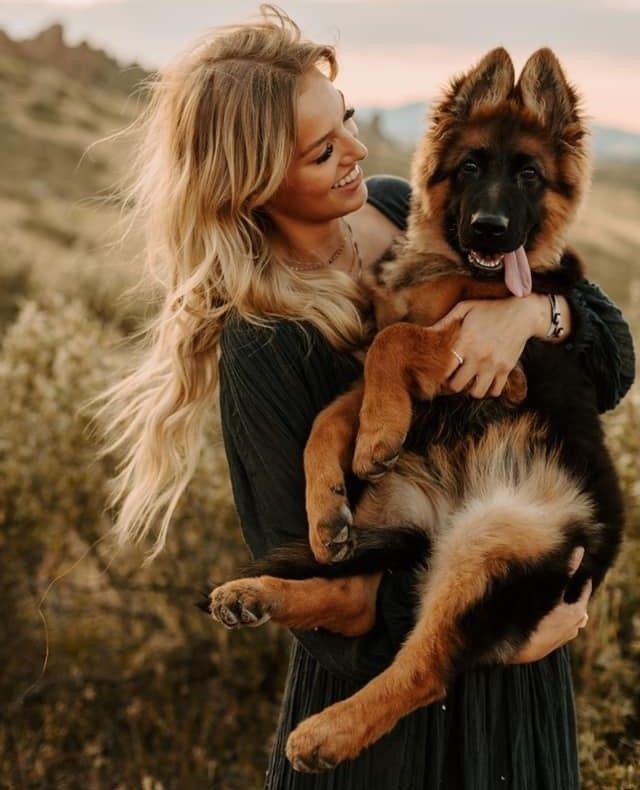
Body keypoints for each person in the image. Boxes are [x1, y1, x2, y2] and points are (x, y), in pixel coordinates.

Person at [99, 6, 635, 788]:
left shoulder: (399, 211)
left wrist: (534, 312)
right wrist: (504, 635)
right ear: (255, 183)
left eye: (346, 121)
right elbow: (321, 568)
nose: (356, 151)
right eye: (323, 151)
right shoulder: (266, 336)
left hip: (514, 696)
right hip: (395, 718)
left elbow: (612, 365)